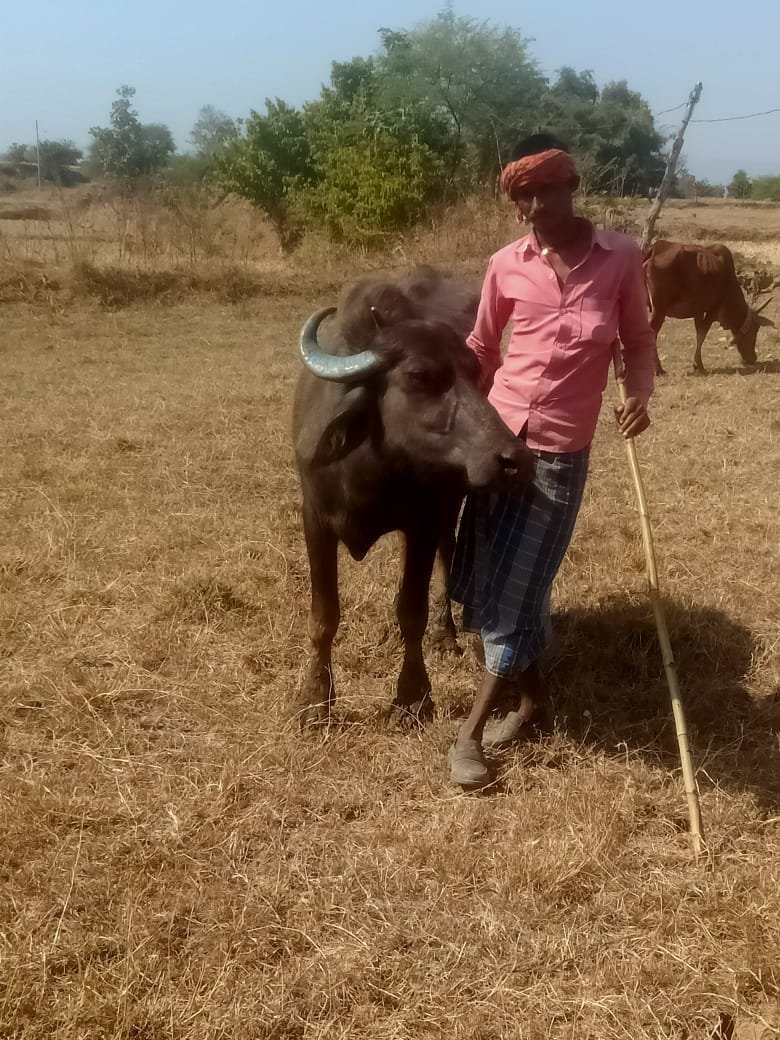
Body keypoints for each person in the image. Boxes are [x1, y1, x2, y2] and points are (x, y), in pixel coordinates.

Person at [448, 134, 657, 788]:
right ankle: (534, 703)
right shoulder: (504, 265)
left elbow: (638, 341)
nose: (535, 206)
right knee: (490, 578)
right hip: (499, 445)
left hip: (561, 453)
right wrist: (451, 406)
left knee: (521, 586)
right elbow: (482, 348)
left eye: (545, 190)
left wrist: (639, 394)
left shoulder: (620, 258)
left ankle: (469, 735)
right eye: (522, 196)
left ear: (572, 186)